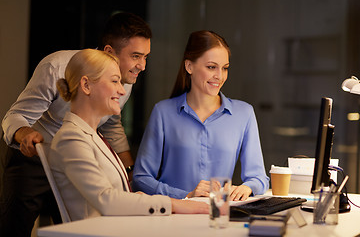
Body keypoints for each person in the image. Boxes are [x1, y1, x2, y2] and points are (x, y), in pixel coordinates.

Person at [0, 12, 150, 236]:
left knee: (73, 228)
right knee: (15, 228)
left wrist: (128, 171)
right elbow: (15, 116)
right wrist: (25, 135)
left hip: (75, 159)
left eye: (146, 56)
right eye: (136, 56)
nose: (142, 65)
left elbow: (110, 124)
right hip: (33, 157)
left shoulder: (125, 82)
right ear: (109, 51)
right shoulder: (56, 66)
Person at [50, 49, 208, 220]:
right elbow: (107, 200)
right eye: (115, 81)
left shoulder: (93, 136)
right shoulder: (70, 138)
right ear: (86, 85)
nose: (122, 91)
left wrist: (183, 200)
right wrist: (175, 204)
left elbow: (120, 195)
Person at [133, 30, 269, 200]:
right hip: (173, 218)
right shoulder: (163, 113)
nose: (219, 76)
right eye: (211, 67)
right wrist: (186, 196)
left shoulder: (244, 114)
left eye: (225, 68)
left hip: (218, 217)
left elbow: (259, 178)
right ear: (189, 66)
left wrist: (247, 187)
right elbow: (141, 179)